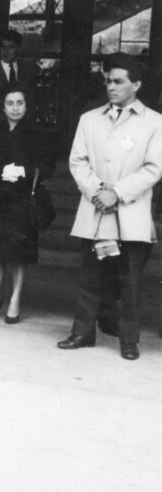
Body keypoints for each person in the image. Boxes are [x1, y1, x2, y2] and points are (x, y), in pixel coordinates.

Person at [58, 55, 162, 361]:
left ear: (136, 85)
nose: (111, 87)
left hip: (131, 213)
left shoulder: (155, 122)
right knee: (91, 277)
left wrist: (116, 193)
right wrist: (97, 191)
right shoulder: (89, 119)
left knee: (129, 282)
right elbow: (78, 161)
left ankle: (129, 340)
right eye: (108, 81)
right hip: (96, 211)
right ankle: (82, 332)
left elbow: (153, 168)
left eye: (118, 82)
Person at [0, 83, 52, 325]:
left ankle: (15, 300)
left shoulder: (37, 133)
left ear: (26, 106)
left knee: (19, 254)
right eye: (10, 103)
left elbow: (48, 165)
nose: (15, 108)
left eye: (19, 103)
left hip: (23, 201)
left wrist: (24, 171)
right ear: (3, 106)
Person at [0, 29, 40, 125]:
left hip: (21, 126)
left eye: (10, 47)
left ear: (18, 48)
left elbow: (31, 99)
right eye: (3, 47)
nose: (6, 52)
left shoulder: (27, 71)